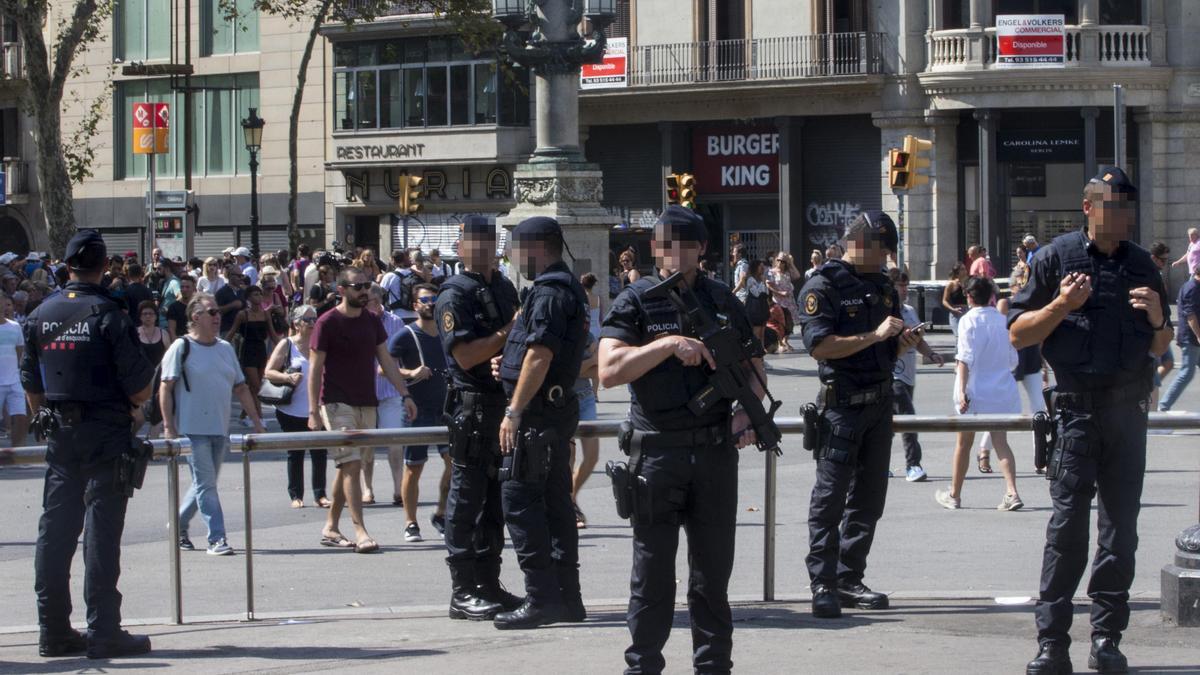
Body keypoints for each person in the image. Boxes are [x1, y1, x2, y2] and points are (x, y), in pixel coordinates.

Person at [1010, 167, 1172, 675]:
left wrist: (1157, 321)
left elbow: (1162, 347)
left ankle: (1106, 637)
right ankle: (1052, 643)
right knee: (1066, 531)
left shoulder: (1144, 265)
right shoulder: (1055, 258)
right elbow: (1017, 334)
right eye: (1114, 206)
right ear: (1088, 207)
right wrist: (1062, 303)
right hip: (1077, 413)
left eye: (1128, 207)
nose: (1124, 216)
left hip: (1128, 413)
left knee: (1120, 531)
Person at [599, 206, 763, 673]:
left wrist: (743, 417)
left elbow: (755, 369)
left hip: (713, 451)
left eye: (684, 244)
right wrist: (667, 344)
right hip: (656, 454)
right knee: (652, 576)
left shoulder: (721, 300)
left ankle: (714, 667)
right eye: (665, 244)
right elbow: (609, 372)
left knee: (712, 577)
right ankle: (643, 665)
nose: (674, 252)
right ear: (655, 248)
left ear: (702, 249)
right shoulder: (635, 299)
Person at [23, 230, 155, 659]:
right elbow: (138, 390)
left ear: (66, 266)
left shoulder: (41, 313)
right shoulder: (109, 314)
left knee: (56, 532)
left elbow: (33, 385)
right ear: (104, 268)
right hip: (105, 434)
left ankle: (54, 629)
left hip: (61, 434)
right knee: (101, 532)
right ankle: (103, 629)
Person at [798, 209, 918, 619]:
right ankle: (823, 583)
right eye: (882, 250)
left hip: (879, 404)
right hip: (842, 408)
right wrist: (875, 335)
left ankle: (849, 577)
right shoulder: (823, 285)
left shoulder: (882, 285)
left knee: (869, 500)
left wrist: (900, 345)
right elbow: (821, 346)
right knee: (830, 498)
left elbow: (884, 348)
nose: (887, 260)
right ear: (860, 244)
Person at [494, 216, 589, 630]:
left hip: (536, 417)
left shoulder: (550, 292)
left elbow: (541, 355)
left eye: (516, 249)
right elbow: (530, 354)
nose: (513, 258)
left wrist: (513, 410)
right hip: (551, 411)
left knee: (521, 504)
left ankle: (542, 598)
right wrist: (508, 367)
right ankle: (567, 598)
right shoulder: (559, 289)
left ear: (538, 247)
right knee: (555, 506)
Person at [435, 215, 523, 621]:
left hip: (499, 404)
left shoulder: (502, 285)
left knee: (495, 503)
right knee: (467, 498)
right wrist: (509, 331)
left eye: (490, 239)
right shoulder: (454, 294)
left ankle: (488, 583)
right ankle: (462, 590)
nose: (486, 247)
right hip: (471, 406)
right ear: (460, 247)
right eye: (476, 240)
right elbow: (466, 355)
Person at [307, 267, 417, 553]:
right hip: (335, 402)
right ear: (341, 289)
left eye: (367, 285)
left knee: (346, 468)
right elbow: (315, 368)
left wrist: (405, 393)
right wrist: (312, 411)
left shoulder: (372, 321)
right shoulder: (327, 322)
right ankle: (360, 530)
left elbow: (386, 361)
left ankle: (331, 527)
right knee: (353, 466)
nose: (364, 291)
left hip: (368, 403)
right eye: (357, 286)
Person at [163, 294, 266, 556]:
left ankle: (178, 525)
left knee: (203, 483)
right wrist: (168, 426)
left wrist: (257, 421)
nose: (217, 316)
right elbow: (166, 387)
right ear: (195, 317)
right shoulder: (181, 347)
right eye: (211, 312)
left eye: (218, 312)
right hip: (191, 429)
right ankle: (216, 539)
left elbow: (241, 388)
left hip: (219, 428)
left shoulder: (225, 348)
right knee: (206, 484)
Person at [934, 276, 1024, 511]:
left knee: (964, 444)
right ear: (991, 296)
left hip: (975, 390)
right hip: (1002, 389)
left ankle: (955, 495)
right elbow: (1013, 359)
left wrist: (962, 391)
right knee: (1000, 441)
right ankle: (1012, 492)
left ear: (969, 296)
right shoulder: (1002, 320)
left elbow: (964, 357)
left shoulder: (968, 320)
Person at [388, 283, 452, 542]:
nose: (431, 303)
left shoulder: (447, 333)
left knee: (455, 464)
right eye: (425, 299)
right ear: (415, 305)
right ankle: (410, 522)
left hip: (447, 407)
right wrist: (411, 373)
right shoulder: (405, 335)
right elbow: (385, 369)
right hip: (418, 408)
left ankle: (441, 512)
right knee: (414, 467)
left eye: (435, 298)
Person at [264, 305, 329, 509]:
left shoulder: (321, 344)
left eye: (314, 319)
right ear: (297, 324)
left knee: (320, 452)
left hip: (318, 408)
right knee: (296, 453)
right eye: (308, 320)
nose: (312, 324)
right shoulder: (287, 344)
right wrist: (287, 377)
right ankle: (296, 495)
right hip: (291, 409)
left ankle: (320, 494)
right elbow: (268, 372)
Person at [890, 272, 944, 483]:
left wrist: (931, 354)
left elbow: (919, 340)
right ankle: (913, 464)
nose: (904, 290)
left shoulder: (910, 311)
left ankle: (877, 463)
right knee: (909, 418)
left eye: (906, 285)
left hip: (909, 374)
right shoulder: (887, 313)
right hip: (893, 375)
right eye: (900, 286)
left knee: (890, 423)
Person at [367, 282, 408, 507]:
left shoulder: (395, 322)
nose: (367, 305)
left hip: (390, 390)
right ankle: (367, 489)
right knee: (366, 445)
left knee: (395, 443)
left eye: (370, 301)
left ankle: (398, 488)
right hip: (364, 391)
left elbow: (399, 356)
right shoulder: (358, 322)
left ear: (379, 300)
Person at [225, 285, 280, 427]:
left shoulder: (265, 314)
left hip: (261, 350)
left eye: (260, 294)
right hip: (247, 350)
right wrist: (221, 348)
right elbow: (231, 332)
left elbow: (273, 335)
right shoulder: (243, 315)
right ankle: (259, 418)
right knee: (255, 386)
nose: (259, 297)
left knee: (254, 386)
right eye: (255, 294)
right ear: (248, 298)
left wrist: (285, 348)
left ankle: (245, 413)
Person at [1157, 263, 1200, 412]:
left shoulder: (1195, 287)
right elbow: (1191, 315)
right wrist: (1199, 336)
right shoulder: (1192, 289)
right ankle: (1164, 405)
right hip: (1190, 337)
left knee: (1187, 372)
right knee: (1187, 372)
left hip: (1193, 337)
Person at [569, 330, 599, 528]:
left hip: (586, 398)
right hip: (563, 400)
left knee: (592, 456)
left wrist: (582, 367)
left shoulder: (587, 337)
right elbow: (566, 370)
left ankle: (571, 496)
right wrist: (591, 361)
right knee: (567, 459)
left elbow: (599, 371)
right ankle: (569, 506)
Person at [1150, 241, 1175, 407]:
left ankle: (1154, 386)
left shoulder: (1155, 274)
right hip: (1152, 329)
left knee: (1169, 361)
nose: (1164, 264)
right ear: (1153, 258)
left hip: (1161, 326)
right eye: (1162, 260)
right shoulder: (1147, 274)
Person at [0, 293, 25, 447]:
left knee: (21, 417)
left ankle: (18, 454)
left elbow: (19, 351)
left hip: (14, 380)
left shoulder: (15, 327)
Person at [768, 254, 799, 352]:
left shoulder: (787, 272)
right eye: (779, 260)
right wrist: (779, 292)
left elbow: (797, 275)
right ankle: (780, 342)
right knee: (781, 322)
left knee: (790, 322)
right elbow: (768, 285)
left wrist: (791, 263)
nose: (780, 263)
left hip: (789, 301)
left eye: (783, 261)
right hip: (779, 301)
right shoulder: (772, 272)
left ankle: (785, 341)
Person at [743, 259, 770, 347]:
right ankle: (755, 349)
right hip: (754, 309)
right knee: (756, 333)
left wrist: (764, 283)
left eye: (763, 266)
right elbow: (757, 293)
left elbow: (766, 293)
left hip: (763, 307)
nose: (762, 268)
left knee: (762, 333)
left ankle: (761, 349)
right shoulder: (750, 280)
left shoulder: (762, 279)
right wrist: (762, 283)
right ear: (755, 268)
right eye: (760, 266)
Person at [135, 300, 169, 367]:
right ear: (140, 317)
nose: (148, 316)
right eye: (145, 314)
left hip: (159, 373)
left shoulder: (164, 334)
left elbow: (169, 355)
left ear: (156, 316)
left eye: (151, 313)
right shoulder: (134, 333)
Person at [214, 263, 246, 334]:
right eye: (238, 276)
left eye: (242, 276)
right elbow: (216, 311)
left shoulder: (243, 292)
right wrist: (232, 305)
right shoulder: (221, 292)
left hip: (242, 331)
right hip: (227, 330)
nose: (241, 278)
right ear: (230, 276)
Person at [941, 262, 968, 336]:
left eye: (965, 269)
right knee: (958, 336)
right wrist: (952, 309)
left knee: (966, 335)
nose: (965, 271)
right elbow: (944, 300)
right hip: (956, 312)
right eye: (962, 269)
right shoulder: (951, 284)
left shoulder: (967, 284)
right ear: (957, 272)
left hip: (966, 311)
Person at [165, 275, 195, 342]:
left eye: (187, 287)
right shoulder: (173, 307)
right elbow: (171, 330)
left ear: (193, 288)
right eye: (182, 287)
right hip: (181, 342)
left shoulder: (199, 306)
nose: (184, 289)